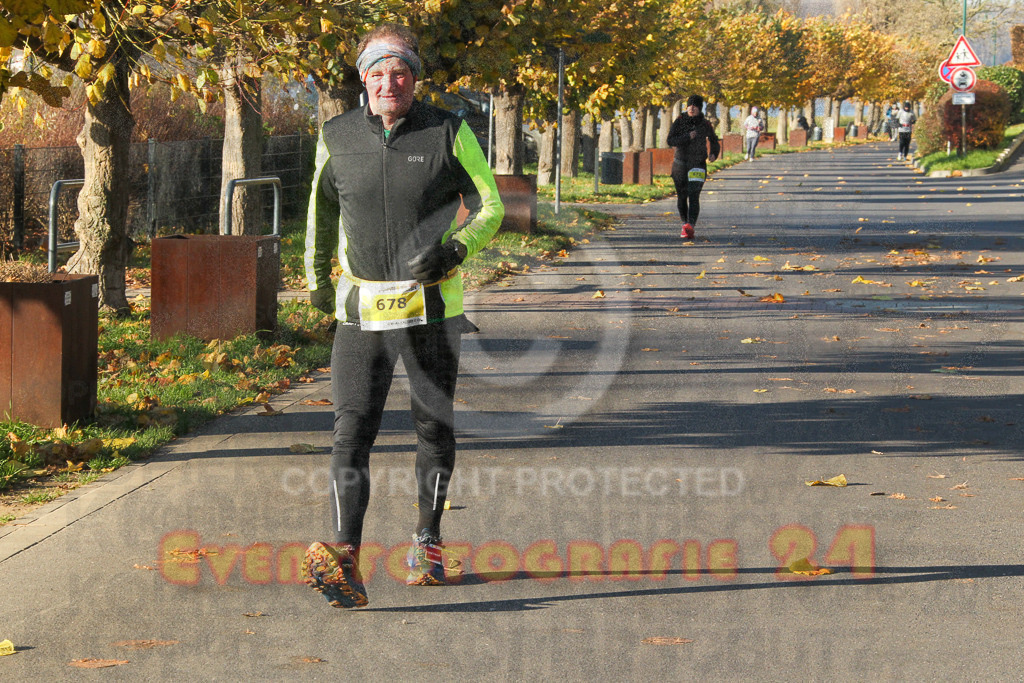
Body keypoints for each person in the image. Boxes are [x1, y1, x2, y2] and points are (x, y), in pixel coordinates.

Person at [302, 22, 504, 608]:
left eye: (400, 72)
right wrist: (317, 282)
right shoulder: (336, 135)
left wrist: (457, 248)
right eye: (377, 72)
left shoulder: (448, 130)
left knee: (432, 428)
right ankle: (344, 558)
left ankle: (428, 542)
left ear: (414, 78)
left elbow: (490, 204)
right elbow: (319, 211)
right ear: (363, 78)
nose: (389, 82)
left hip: (432, 309)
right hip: (361, 310)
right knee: (350, 430)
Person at [667, 94, 720, 240]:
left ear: (699, 108)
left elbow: (714, 141)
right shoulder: (680, 121)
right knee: (682, 195)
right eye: (689, 105)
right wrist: (687, 137)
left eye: (695, 106)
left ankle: (691, 225)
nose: (691, 108)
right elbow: (670, 140)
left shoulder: (705, 123)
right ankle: (685, 223)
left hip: (698, 165)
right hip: (680, 164)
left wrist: (714, 153)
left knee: (694, 195)